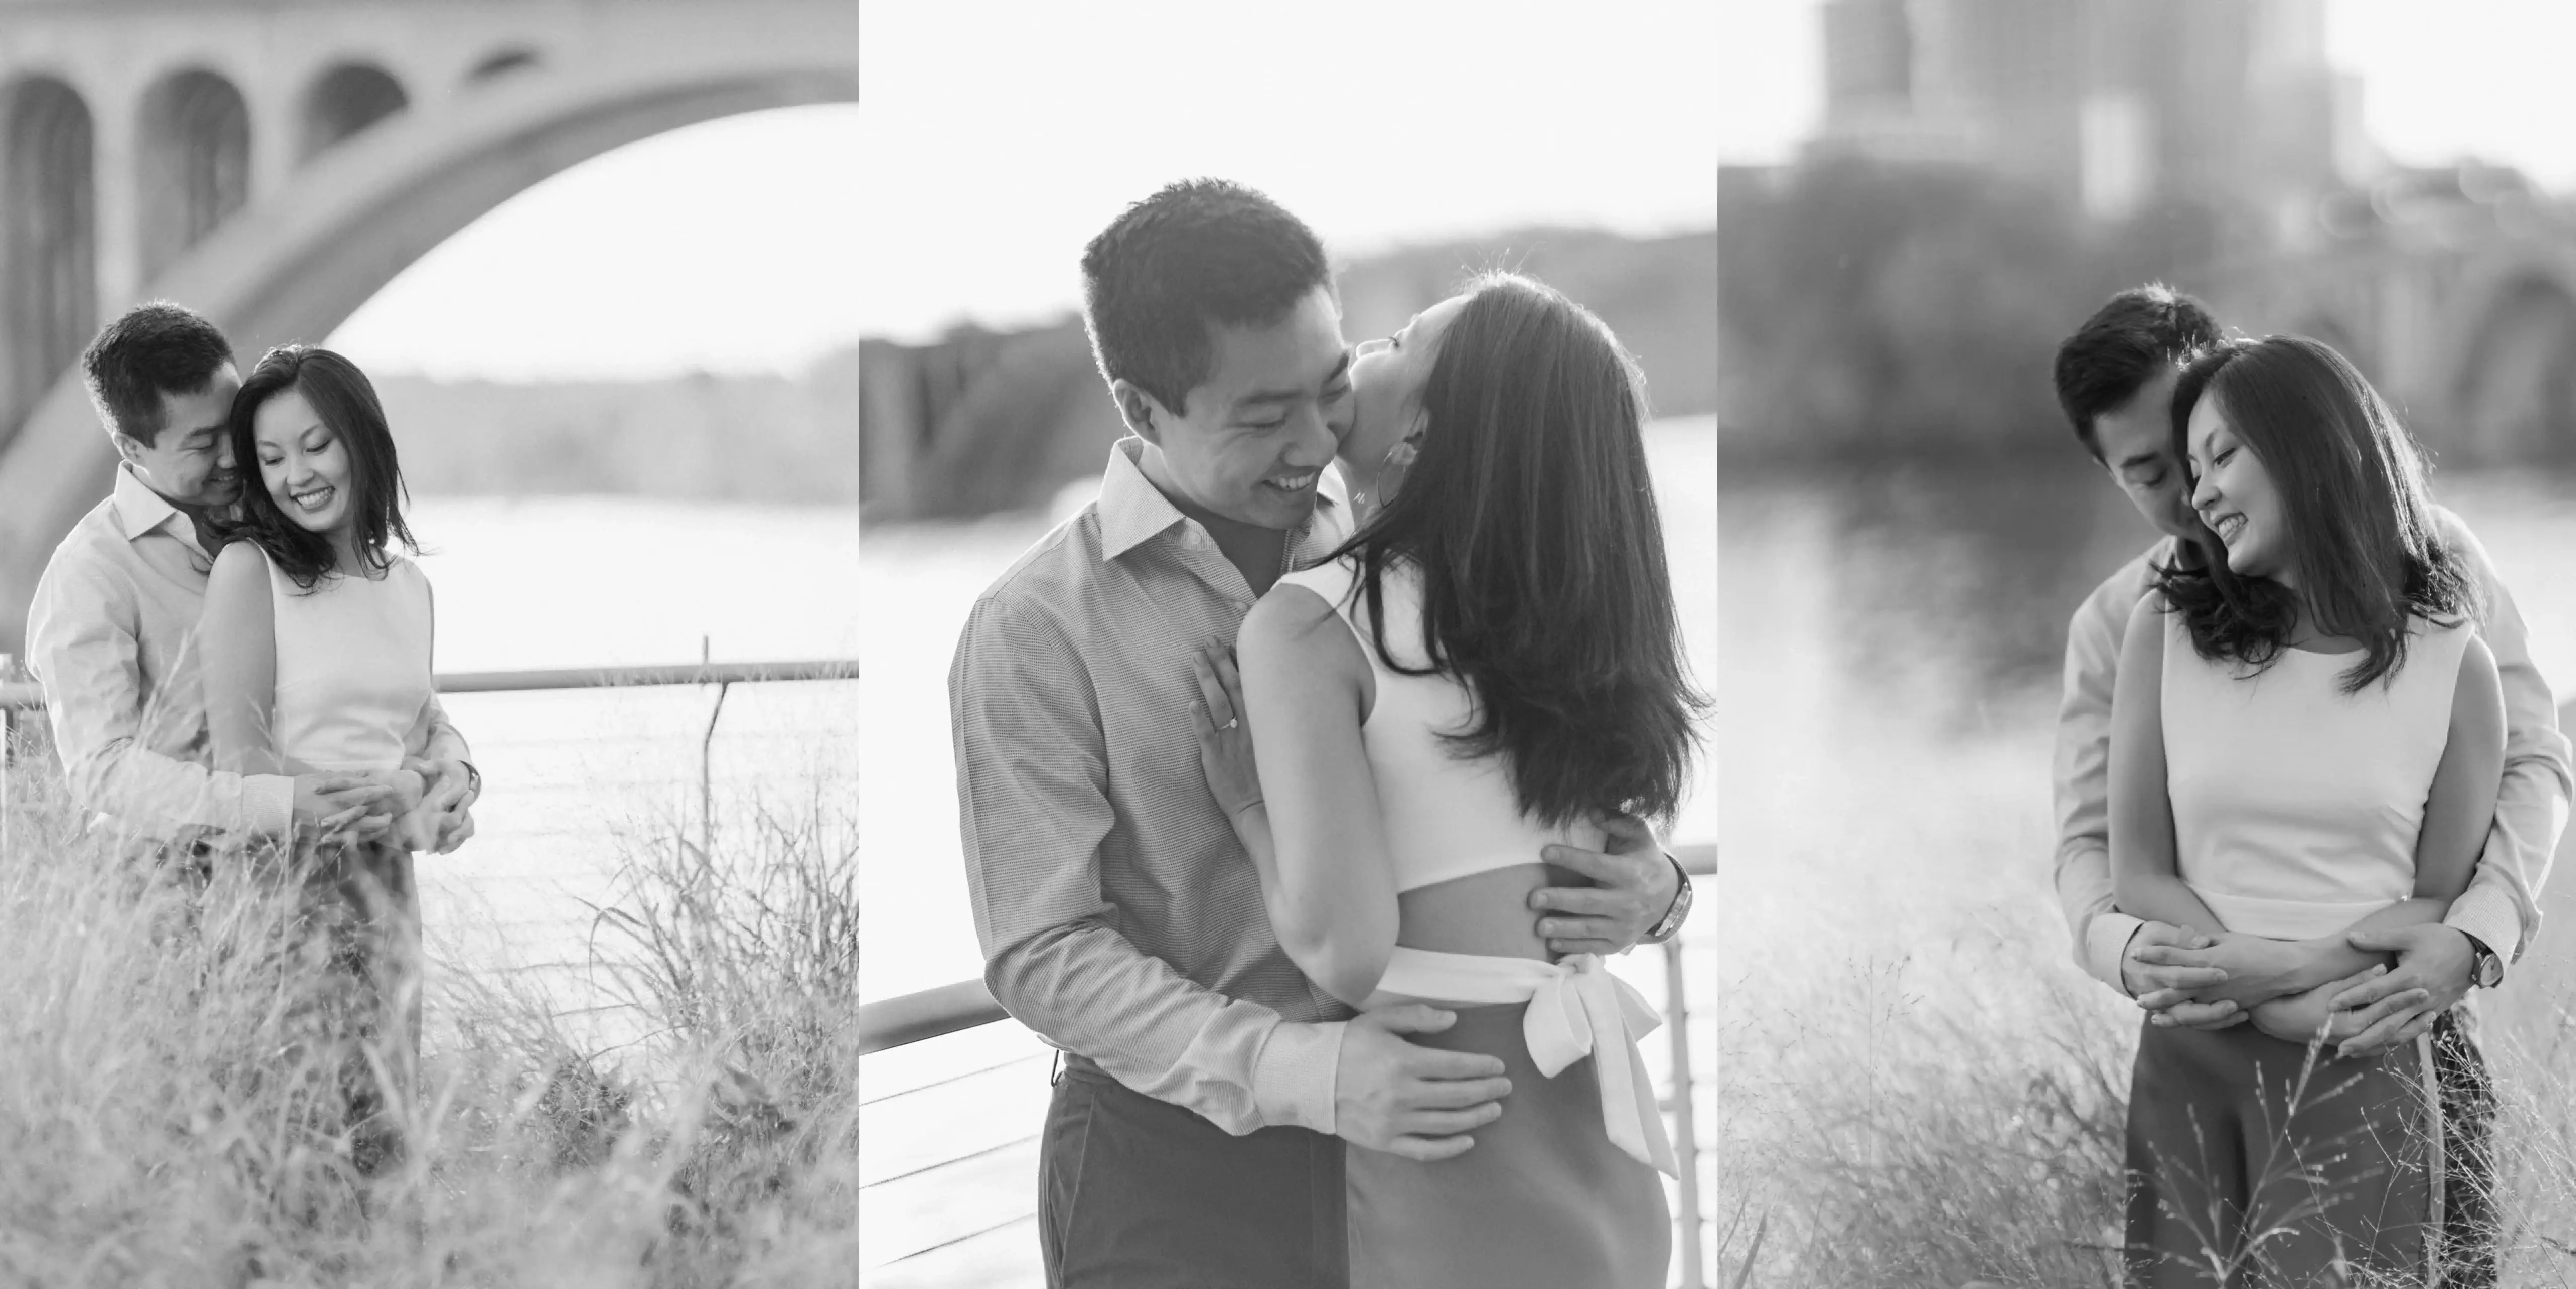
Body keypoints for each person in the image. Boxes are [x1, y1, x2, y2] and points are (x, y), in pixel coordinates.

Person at [948, 180, 1695, 1289]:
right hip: (1182, 1176)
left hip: (1439, 1151)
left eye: (1333, 382)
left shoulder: (1431, 541)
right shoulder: (1035, 627)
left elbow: (1530, 785)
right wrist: (1308, 1071)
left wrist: (1655, 888)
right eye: (1262, 417)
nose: (1315, 437)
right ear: (1141, 408)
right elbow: (1040, 950)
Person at [1188, 270, 1697, 1287]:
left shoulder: (1308, 626)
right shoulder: (1561, 625)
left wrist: (1246, 805)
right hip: (1601, 1134)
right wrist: (1668, 892)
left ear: (1424, 433)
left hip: (1455, 1135)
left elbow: (1345, 949)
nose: (1361, 355)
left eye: (1395, 344)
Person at [2051, 289, 2566, 1286]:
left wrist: (2473, 937)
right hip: (2203, 1024)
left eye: (2212, 447)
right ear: (2113, 476)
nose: (2191, 492)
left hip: (2395, 1011)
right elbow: (2087, 848)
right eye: (2154, 470)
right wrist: (2137, 953)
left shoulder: (2435, 565)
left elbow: (2531, 759)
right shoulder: (2125, 622)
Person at [25, 304, 479, 882]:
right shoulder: (92, 571)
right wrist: (278, 804)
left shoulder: (291, 519)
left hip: (338, 860)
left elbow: (393, 689)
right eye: (203, 443)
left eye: (235, 426)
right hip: (166, 883)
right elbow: (102, 769)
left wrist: (456, 770)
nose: (232, 455)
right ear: (132, 448)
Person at [199, 343, 470, 1181]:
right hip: (283, 887)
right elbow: (243, 760)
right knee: (297, 1156)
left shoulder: (410, 588)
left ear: (361, 437)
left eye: (316, 445)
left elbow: (419, 735)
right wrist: (397, 799)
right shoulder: (250, 573)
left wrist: (439, 789)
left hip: (387, 889)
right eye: (272, 458)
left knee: (386, 1147)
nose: (297, 476)